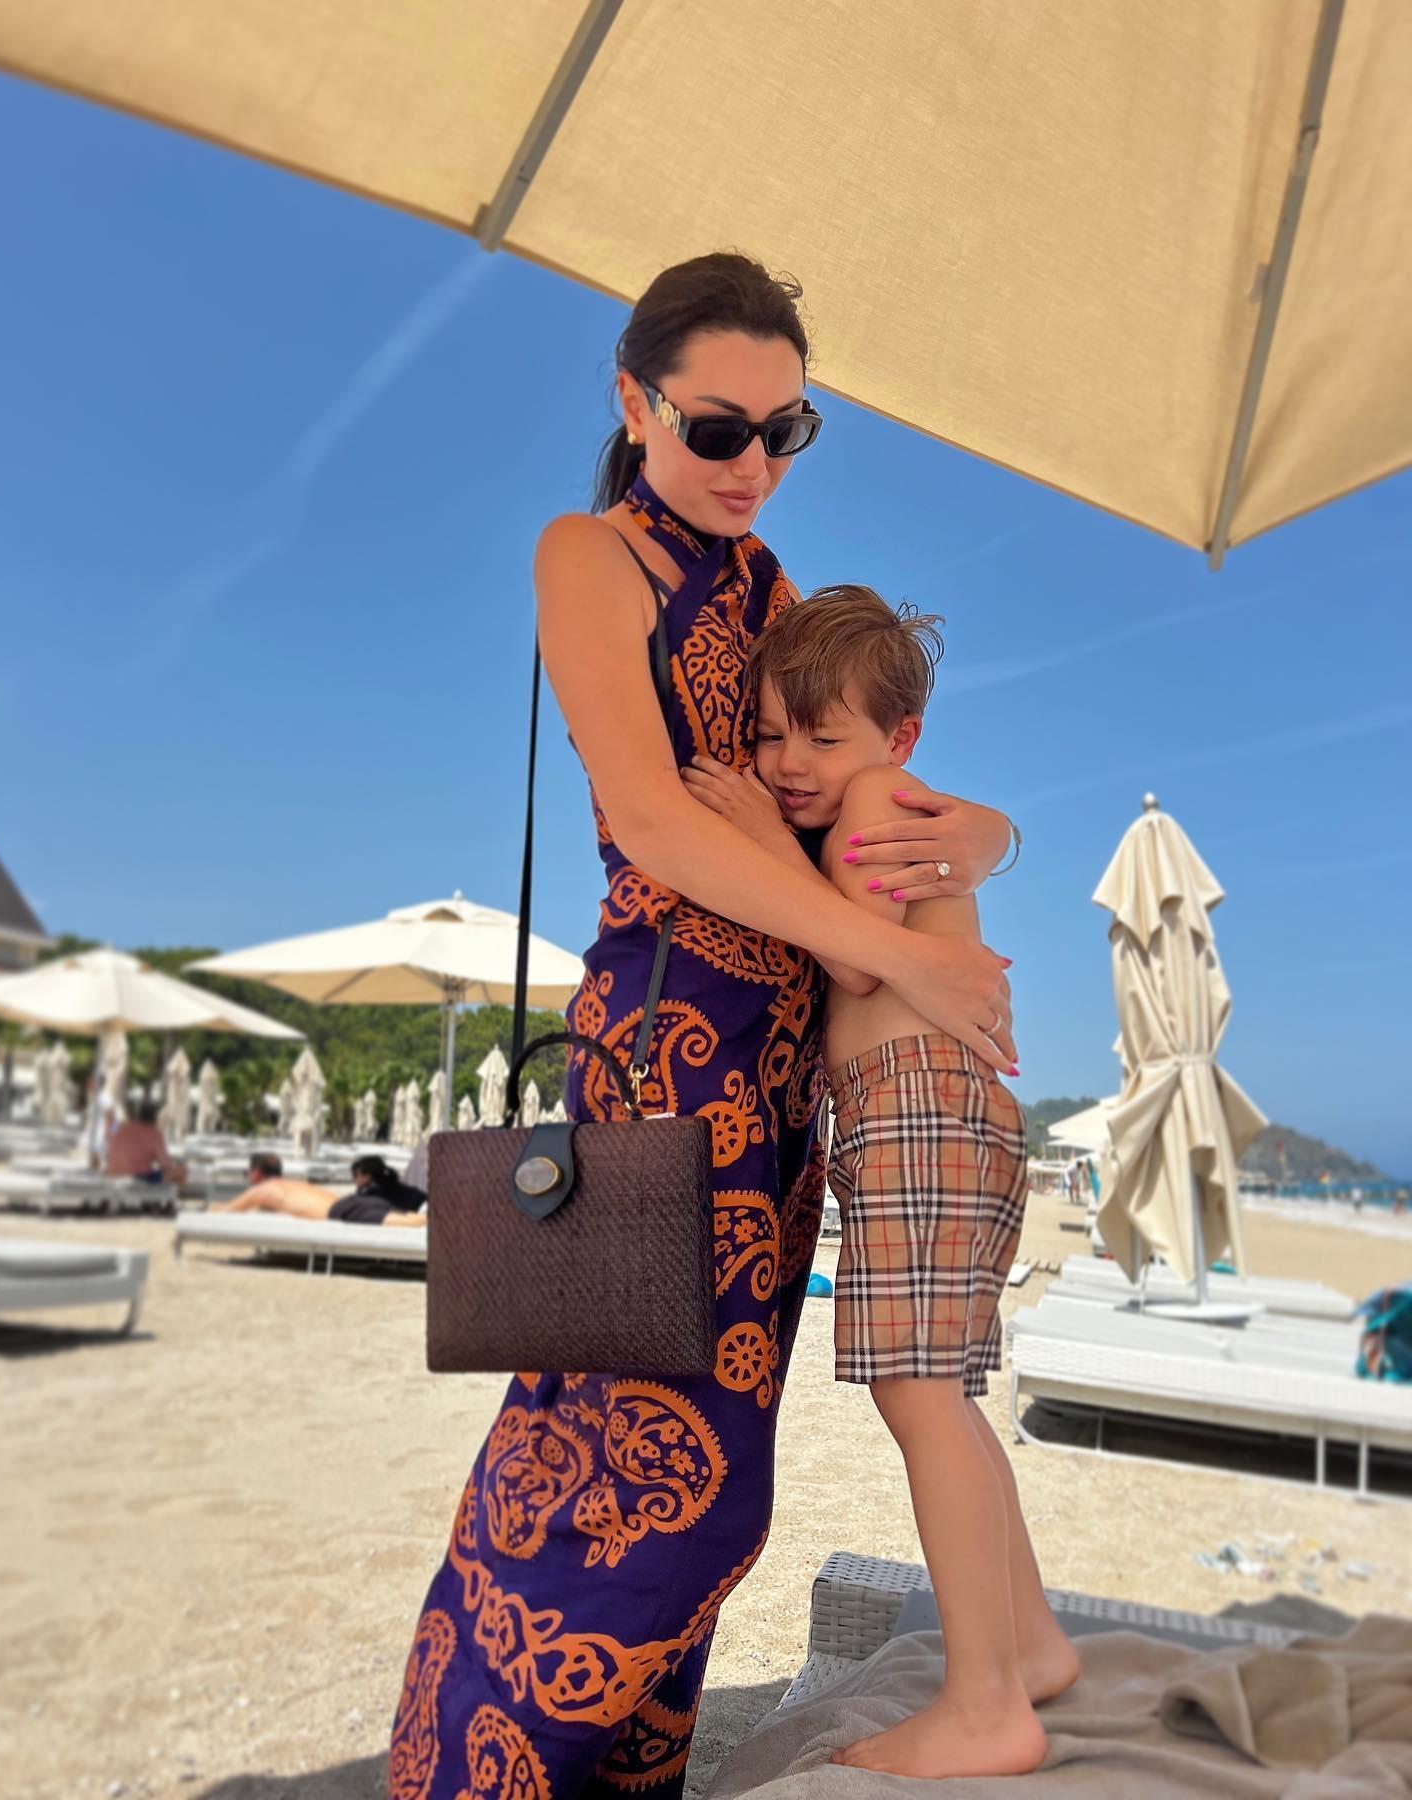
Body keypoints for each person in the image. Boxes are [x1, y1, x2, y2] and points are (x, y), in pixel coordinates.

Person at [393, 253, 1019, 1796]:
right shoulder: (590, 555)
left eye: (784, 433)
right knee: (628, 1471)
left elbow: (861, 771)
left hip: (779, 1081)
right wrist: (899, 951)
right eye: (719, 428)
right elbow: (657, 822)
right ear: (634, 400)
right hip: (662, 1051)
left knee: (711, 1469)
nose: (754, 465)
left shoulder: (775, 591)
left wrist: (985, 836)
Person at [686, 585, 1075, 1778]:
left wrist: (760, 843)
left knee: (919, 1401)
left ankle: (985, 1702)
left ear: (898, 740)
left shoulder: (871, 803)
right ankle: (1032, 1645)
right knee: (942, 1394)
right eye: (769, 734)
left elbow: (857, 968)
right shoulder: (884, 797)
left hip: (914, 1105)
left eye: (822, 733)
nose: (788, 761)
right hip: (935, 1111)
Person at [213, 1154, 425, 1227]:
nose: (247, 1177)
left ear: (257, 1173)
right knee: (414, 1220)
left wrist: (209, 1211)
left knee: (413, 1224)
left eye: (247, 1173)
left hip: (342, 1211)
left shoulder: (263, 1190)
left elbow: (229, 1210)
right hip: (349, 1204)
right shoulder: (292, 1184)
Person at [104, 1100, 187, 1187]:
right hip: (136, 1180)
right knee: (182, 1171)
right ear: (155, 1117)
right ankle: (172, 1195)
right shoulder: (153, 1133)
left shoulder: (123, 1129)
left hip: (113, 1176)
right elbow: (165, 1165)